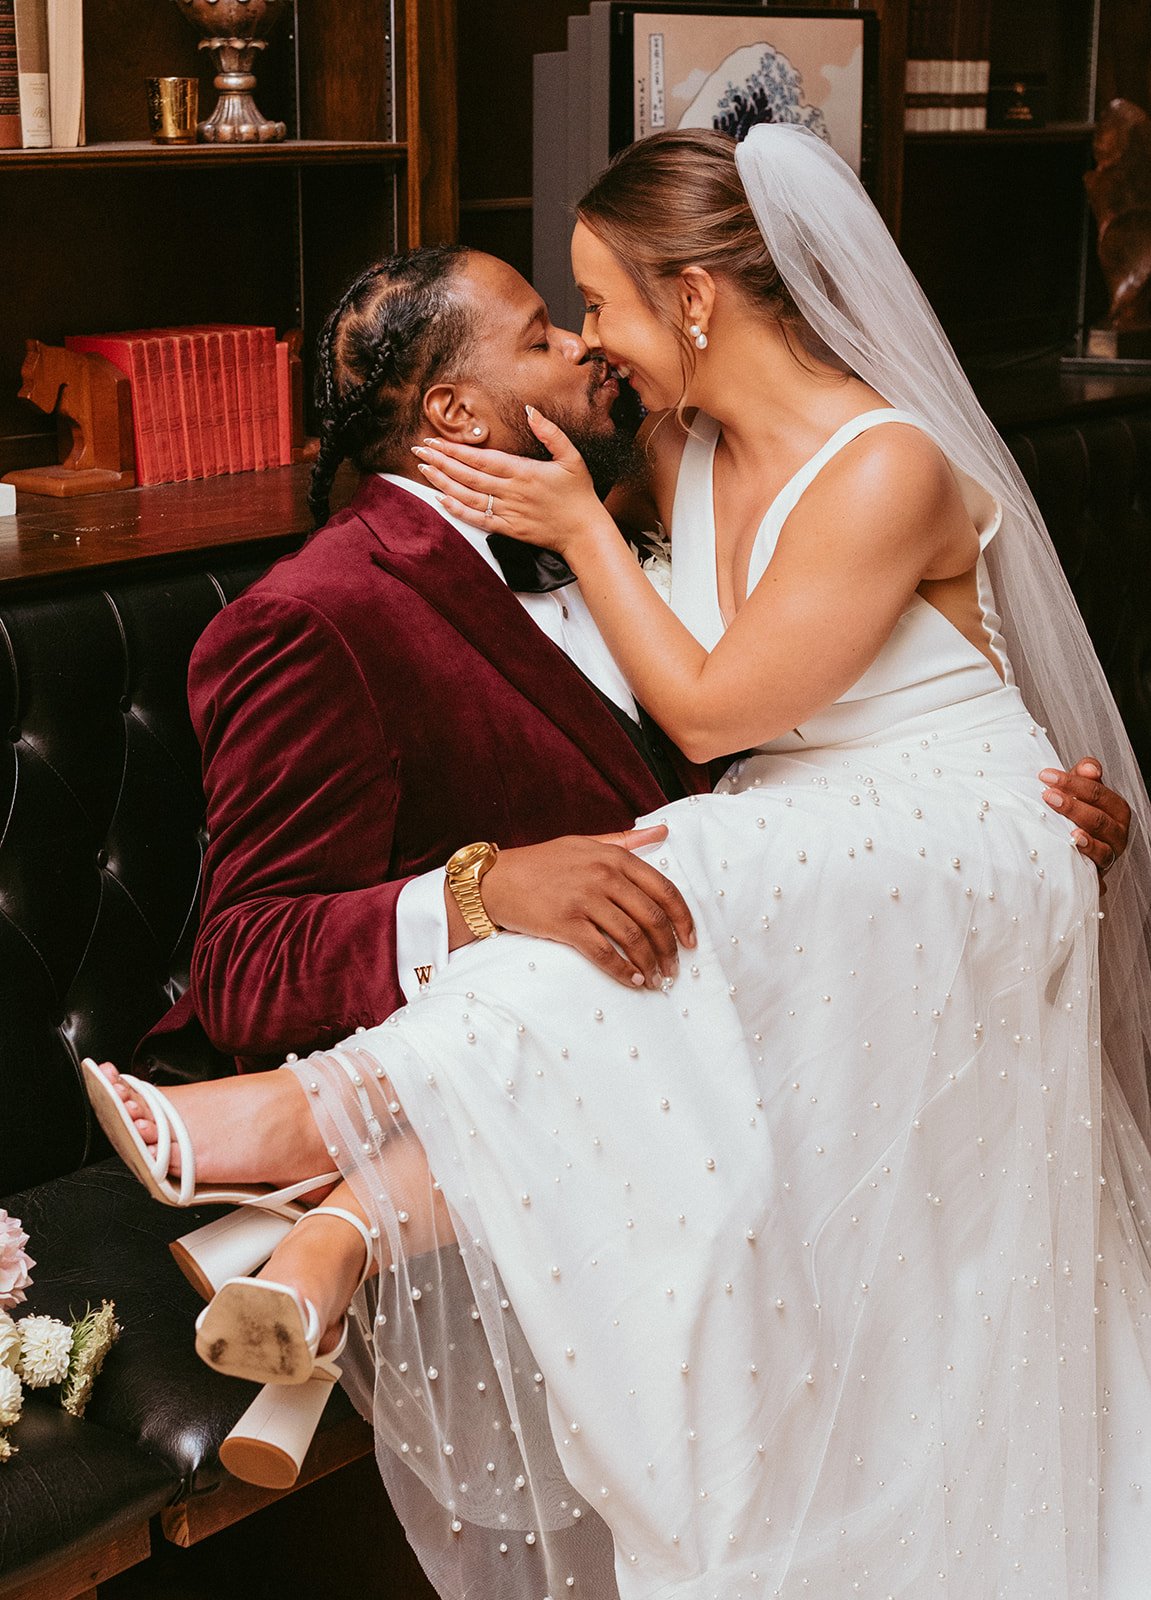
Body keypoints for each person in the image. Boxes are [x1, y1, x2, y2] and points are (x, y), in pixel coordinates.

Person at [90, 126, 1151, 1599]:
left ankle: (317, 1163)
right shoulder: (332, 609)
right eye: (550, 329)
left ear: (698, 303)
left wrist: (1031, 813)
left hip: (846, 924)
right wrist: (480, 888)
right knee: (680, 875)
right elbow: (249, 953)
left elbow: (745, 707)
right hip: (732, 975)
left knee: (697, 859)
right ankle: (325, 1197)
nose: (591, 344)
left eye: (596, 308)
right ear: (458, 406)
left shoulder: (677, 474)